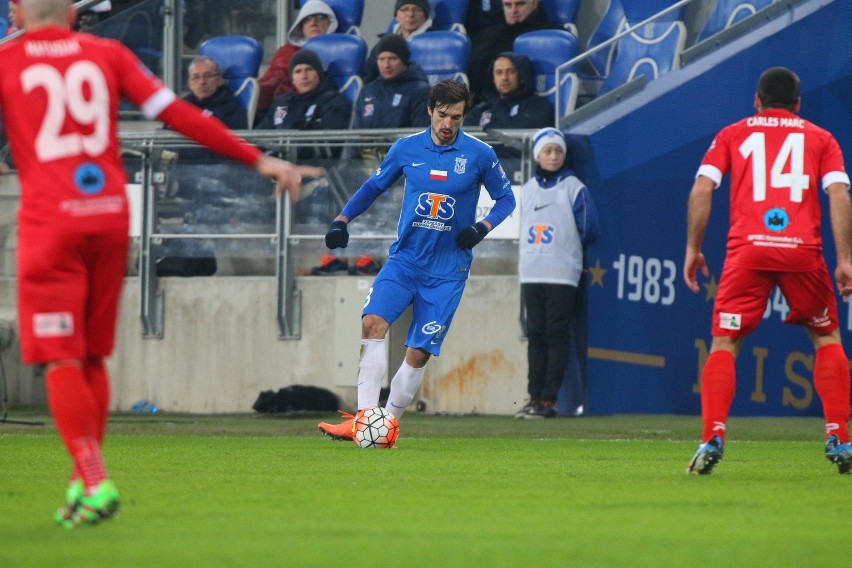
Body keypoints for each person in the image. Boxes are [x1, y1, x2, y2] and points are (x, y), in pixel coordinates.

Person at [0, 0, 323, 528]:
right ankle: (84, 486)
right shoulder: (108, 52)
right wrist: (260, 158)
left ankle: (95, 477)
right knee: (92, 358)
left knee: (60, 358)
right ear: (73, 7)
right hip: (108, 214)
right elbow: (178, 113)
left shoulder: (8, 60)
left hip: (51, 223)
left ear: (15, 9)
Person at [317, 80, 516, 440]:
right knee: (372, 322)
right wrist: (342, 219)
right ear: (430, 110)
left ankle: (388, 424)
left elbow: (507, 200)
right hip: (405, 261)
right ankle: (365, 419)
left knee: (418, 352)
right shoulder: (406, 149)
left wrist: (481, 227)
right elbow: (373, 187)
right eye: (442, 115)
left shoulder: (479, 154)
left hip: (447, 270)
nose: (448, 124)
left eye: (456, 117)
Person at [683, 67, 852, 475]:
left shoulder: (732, 134)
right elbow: (838, 193)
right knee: (826, 336)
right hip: (802, 253)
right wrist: (845, 258)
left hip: (747, 252)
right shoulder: (821, 138)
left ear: (756, 101)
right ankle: (839, 439)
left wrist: (692, 248)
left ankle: (712, 436)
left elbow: (703, 188)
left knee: (725, 343)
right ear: (798, 103)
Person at [517, 127, 598, 419]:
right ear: (538, 155)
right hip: (531, 271)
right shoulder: (527, 190)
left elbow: (589, 227)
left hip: (562, 272)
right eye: (548, 151)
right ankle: (534, 395)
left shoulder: (573, 187)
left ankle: (549, 399)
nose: (553, 156)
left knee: (556, 334)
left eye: (558, 151)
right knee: (535, 335)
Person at [256, 49, 352, 159]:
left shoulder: (332, 101)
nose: (304, 76)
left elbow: (331, 142)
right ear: (292, 79)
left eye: (309, 69)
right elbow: (260, 134)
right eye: (298, 71)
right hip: (276, 164)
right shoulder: (281, 102)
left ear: (319, 73)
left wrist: (284, 151)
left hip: (314, 167)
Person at [468, 0, 560, 102]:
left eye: (520, 4)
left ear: (534, 3)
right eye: (508, 5)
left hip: (526, 106)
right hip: (479, 107)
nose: (514, 11)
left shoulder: (552, 38)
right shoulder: (485, 36)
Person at [256, 0, 338, 113]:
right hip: (280, 108)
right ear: (300, 27)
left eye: (320, 17)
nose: (313, 22)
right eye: (307, 18)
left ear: (330, 23)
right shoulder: (286, 52)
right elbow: (268, 85)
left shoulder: (341, 52)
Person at [352, 34, 430, 130]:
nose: (386, 65)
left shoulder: (421, 91)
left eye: (392, 59)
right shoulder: (367, 91)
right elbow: (355, 136)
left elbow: (421, 135)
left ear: (404, 60)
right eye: (381, 59)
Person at [464, 52, 553, 131]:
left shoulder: (538, 107)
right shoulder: (481, 109)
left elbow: (516, 137)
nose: (504, 78)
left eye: (511, 72)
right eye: (499, 72)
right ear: (493, 79)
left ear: (522, 76)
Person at [362, 0, 437, 83]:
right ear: (396, 15)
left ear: (425, 15)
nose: (410, 14)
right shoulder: (384, 44)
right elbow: (367, 78)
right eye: (405, 9)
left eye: (417, 9)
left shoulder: (437, 42)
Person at [183, 56, 247, 130]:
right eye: (196, 77)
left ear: (220, 80)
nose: (202, 82)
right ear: (190, 84)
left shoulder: (231, 109)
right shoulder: (183, 104)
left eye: (208, 76)